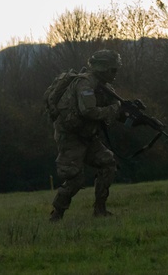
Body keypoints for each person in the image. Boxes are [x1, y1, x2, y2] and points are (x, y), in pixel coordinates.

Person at [49, 49, 123, 221]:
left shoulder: (104, 87)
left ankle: (100, 209)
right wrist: (113, 109)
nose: (115, 73)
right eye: (113, 70)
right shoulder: (86, 84)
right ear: (102, 68)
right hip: (71, 137)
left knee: (108, 163)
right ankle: (57, 214)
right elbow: (88, 111)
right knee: (75, 178)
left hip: (88, 136)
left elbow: (113, 109)